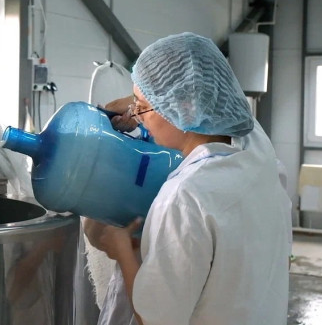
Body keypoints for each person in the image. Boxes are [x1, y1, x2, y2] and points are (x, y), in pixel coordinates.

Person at [83, 32, 292, 325]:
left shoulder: (185, 197)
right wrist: (139, 102)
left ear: (185, 107)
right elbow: (212, 96)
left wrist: (122, 251)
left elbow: (154, 320)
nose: (138, 116)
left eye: (142, 106)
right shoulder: (257, 148)